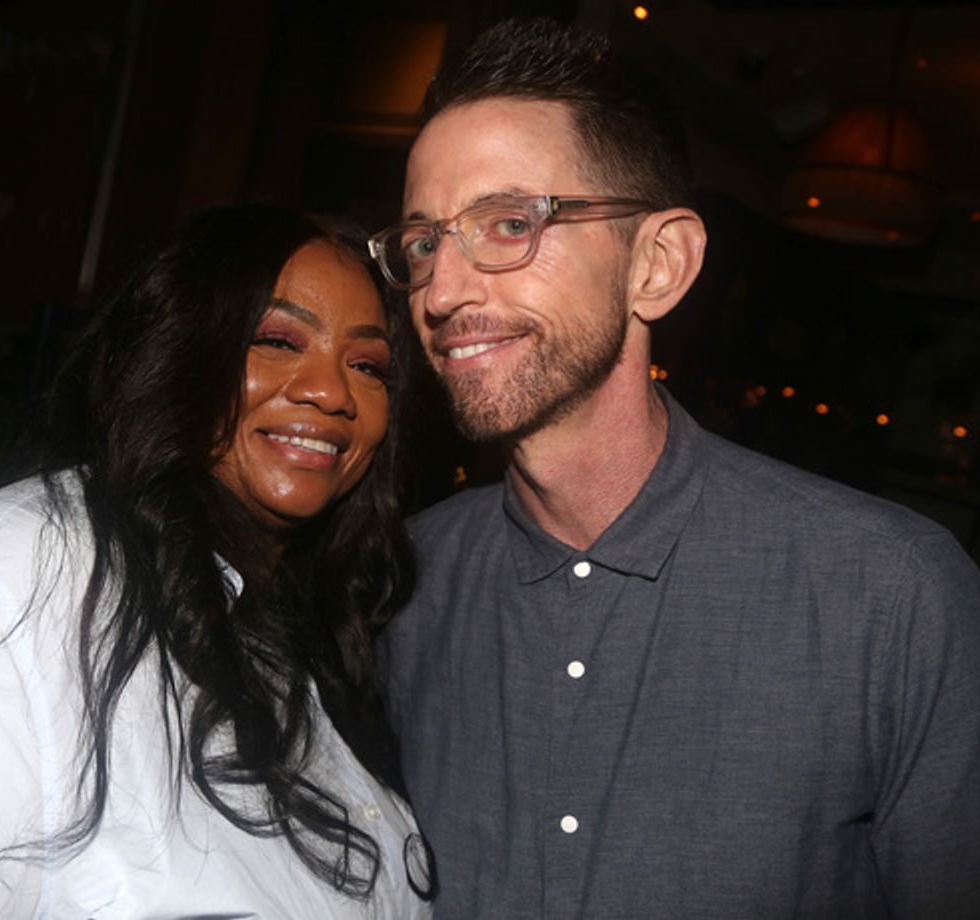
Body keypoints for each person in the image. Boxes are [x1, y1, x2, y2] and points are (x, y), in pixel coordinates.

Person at [370, 18, 980, 920]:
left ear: (658, 265)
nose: (445, 290)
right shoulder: (401, 582)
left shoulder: (891, 596)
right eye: (424, 243)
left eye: (508, 223)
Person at [0, 203, 433, 918]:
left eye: (368, 365)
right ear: (174, 350)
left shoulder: (301, 635)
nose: (332, 392)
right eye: (277, 340)